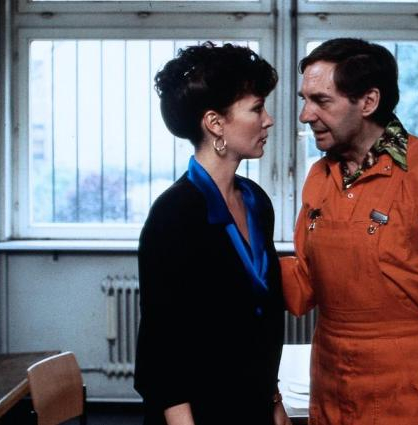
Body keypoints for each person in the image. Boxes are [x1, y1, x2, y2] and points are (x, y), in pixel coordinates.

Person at [281, 38, 418, 425]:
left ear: (368, 102)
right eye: (305, 100)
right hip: (331, 382)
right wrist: (240, 258)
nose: (305, 115)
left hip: (405, 390)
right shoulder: (320, 177)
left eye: (321, 101)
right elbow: (305, 283)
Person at [134, 42, 291, 425]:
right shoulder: (173, 213)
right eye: (257, 108)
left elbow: (263, 321)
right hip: (197, 414)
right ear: (216, 123)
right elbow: (161, 345)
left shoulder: (256, 201)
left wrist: (274, 401)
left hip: (253, 406)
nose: (268, 120)